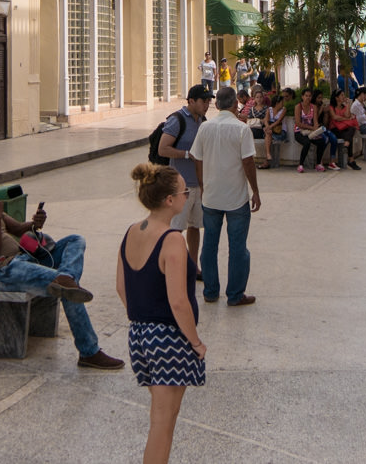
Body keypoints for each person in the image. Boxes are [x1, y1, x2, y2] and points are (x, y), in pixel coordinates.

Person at [0, 165, 124, 370]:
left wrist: (34, 223)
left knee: (75, 240)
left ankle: (66, 277)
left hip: (24, 260)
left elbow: (16, 228)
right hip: (2, 274)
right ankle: (89, 352)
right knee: (69, 292)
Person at [117, 164, 206, 464]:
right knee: (163, 424)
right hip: (169, 338)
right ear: (170, 200)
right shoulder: (172, 240)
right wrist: (195, 341)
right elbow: (179, 301)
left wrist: (142, 316)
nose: (187, 195)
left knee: (161, 417)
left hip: (139, 335)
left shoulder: (131, 232)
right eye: (184, 191)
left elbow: (121, 286)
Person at [189, 85, 261, 307]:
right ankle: (235, 294)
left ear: (217, 104)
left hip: (211, 197)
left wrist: (202, 184)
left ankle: (211, 291)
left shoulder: (205, 128)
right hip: (236, 199)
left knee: (209, 245)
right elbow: (248, 162)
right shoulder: (241, 129)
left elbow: (196, 158)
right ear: (234, 104)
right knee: (238, 247)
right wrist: (255, 191)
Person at [158, 84, 213, 272]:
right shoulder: (177, 120)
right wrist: (188, 154)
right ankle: (169, 267)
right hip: (180, 187)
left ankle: (192, 266)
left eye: (209, 101)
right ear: (191, 101)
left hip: (198, 184)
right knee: (175, 229)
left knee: (195, 226)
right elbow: (163, 148)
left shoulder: (202, 120)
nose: (207, 105)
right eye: (203, 101)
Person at [293, 87, 337, 172]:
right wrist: (312, 128)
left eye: (309, 96)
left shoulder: (313, 107)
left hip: (311, 131)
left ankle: (318, 163)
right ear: (302, 96)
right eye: (306, 96)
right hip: (300, 131)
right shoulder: (298, 107)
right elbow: (298, 123)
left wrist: (316, 128)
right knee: (307, 143)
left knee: (322, 140)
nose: (308, 98)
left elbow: (315, 121)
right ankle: (301, 164)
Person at [327, 89, 361, 170]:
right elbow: (335, 117)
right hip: (334, 129)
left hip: (344, 128)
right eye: (341, 95)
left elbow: (347, 115)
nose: (343, 97)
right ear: (336, 97)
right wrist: (346, 119)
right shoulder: (331, 107)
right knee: (349, 135)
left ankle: (347, 143)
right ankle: (351, 160)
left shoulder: (344, 106)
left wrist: (348, 105)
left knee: (352, 129)